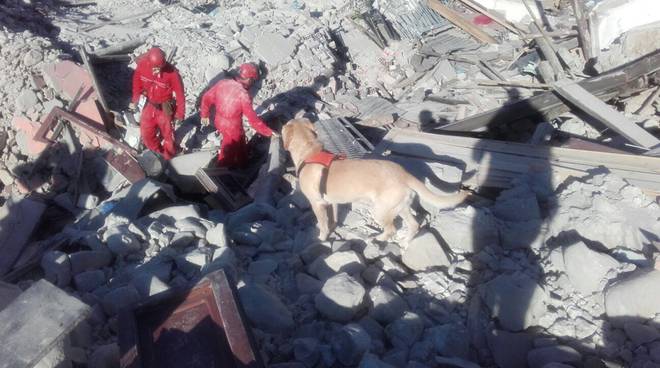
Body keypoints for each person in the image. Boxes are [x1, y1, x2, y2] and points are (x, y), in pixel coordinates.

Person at [199, 63, 279, 168]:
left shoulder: (223, 83)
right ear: (250, 79)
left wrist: (204, 114)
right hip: (232, 128)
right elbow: (253, 121)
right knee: (227, 154)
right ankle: (219, 174)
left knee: (241, 139)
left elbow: (206, 97)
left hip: (218, 121)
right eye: (253, 80)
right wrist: (269, 132)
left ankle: (243, 161)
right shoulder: (244, 95)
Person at [129, 47, 185, 160]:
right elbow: (136, 82)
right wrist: (135, 99)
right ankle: (157, 153)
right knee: (146, 133)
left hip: (164, 107)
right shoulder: (142, 66)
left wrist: (180, 113)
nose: (157, 69)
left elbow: (180, 94)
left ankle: (169, 157)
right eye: (155, 67)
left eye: (159, 67)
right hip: (149, 105)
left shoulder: (172, 73)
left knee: (168, 135)